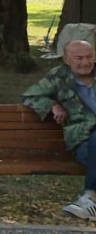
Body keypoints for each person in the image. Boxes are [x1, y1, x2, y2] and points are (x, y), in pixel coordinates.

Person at [22, 40, 96, 219]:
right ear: (66, 59)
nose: (85, 62)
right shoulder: (58, 77)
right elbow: (29, 96)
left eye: (89, 57)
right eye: (79, 58)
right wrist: (53, 105)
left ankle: (90, 199)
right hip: (83, 139)